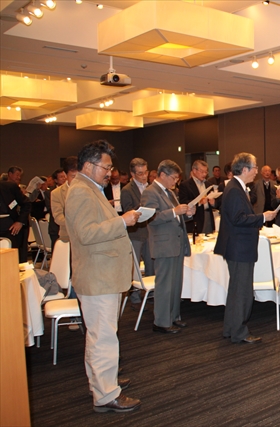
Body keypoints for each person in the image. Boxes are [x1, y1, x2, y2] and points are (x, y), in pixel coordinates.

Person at [65, 140, 141, 413]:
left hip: (102, 275)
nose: (110, 173)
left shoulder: (89, 189)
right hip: (98, 277)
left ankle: (101, 383)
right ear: (88, 166)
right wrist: (121, 221)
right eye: (106, 167)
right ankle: (106, 394)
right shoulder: (81, 192)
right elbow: (86, 234)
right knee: (104, 337)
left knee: (99, 335)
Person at [214, 152, 277, 344]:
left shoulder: (236, 187)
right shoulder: (235, 189)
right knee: (242, 292)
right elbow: (238, 218)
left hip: (238, 246)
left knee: (236, 290)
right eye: (255, 167)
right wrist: (263, 217)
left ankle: (231, 329)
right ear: (244, 169)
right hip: (239, 247)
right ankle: (239, 332)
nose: (257, 171)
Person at [141, 160, 195, 334]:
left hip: (175, 242)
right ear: (162, 175)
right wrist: (174, 211)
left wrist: (186, 214)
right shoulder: (150, 192)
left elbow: (175, 217)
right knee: (164, 284)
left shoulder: (170, 192)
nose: (175, 182)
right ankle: (161, 322)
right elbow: (151, 218)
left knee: (176, 283)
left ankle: (173, 317)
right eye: (173, 178)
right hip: (163, 244)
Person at [120, 158, 154, 309]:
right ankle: (134, 296)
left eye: (146, 172)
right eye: (140, 173)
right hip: (136, 232)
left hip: (150, 231)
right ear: (132, 174)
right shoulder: (127, 190)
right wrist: (143, 206)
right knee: (134, 266)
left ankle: (151, 293)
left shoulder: (151, 187)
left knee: (151, 263)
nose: (144, 176)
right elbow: (128, 210)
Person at [179, 159, 214, 234]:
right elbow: (183, 202)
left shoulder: (208, 184)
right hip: (196, 217)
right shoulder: (185, 185)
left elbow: (215, 201)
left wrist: (213, 202)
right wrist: (199, 202)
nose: (204, 174)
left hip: (208, 215)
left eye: (206, 172)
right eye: (202, 171)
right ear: (194, 170)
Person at [0, 178, 30, 262]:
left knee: (14, 257)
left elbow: (26, 204)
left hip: (10, 225)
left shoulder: (9, 187)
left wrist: (20, 222)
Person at [45, 168, 66, 249]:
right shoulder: (50, 192)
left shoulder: (72, 190)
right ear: (56, 180)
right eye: (61, 177)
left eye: (64, 176)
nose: (64, 178)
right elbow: (50, 208)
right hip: (55, 226)